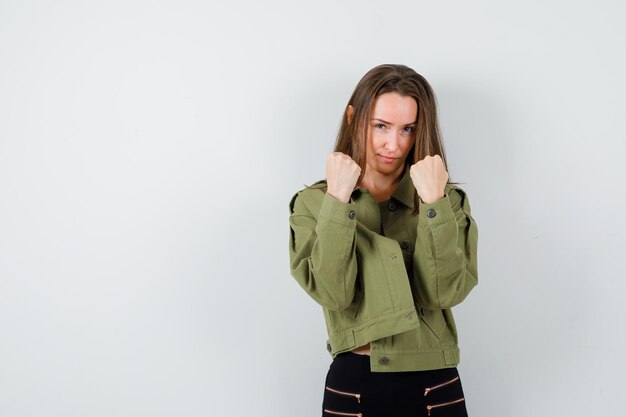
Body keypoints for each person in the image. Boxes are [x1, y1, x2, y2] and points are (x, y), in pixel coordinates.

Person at [288, 64, 479, 417]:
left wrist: (435, 205)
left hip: (435, 383)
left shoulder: (444, 199)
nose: (394, 144)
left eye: (408, 129)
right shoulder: (315, 204)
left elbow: (444, 293)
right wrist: (337, 201)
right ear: (352, 117)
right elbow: (333, 294)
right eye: (380, 126)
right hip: (355, 385)